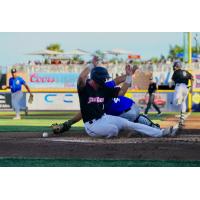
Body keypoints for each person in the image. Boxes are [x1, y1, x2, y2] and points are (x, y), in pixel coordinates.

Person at [53, 57, 176, 138]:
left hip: (104, 118)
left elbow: (121, 92)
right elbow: (81, 78)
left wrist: (128, 77)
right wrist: (91, 66)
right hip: (91, 126)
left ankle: (160, 133)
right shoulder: (85, 88)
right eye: (103, 78)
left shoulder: (103, 88)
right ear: (97, 78)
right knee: (113, 130)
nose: (106, 79)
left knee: (128, 124)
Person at [171, 61, 194, 126]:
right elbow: (192, 78)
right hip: (186, 88)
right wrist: (192, 88)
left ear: (176, 66)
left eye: (175, 66)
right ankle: (182, 119)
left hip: (179, 87)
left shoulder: (176, 72)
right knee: (183, 103)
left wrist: (171, 85)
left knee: (175, 102)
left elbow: (172, 81)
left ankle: (178, 99)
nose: (174, 67)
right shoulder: (186, 72)